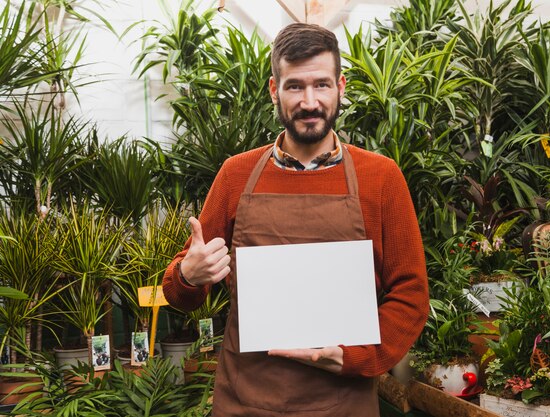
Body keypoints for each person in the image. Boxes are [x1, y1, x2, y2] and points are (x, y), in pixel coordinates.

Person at [162, 22, 429, 416]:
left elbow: (410, 293)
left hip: (343, 402)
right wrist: (189, 274)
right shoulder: (236, 175)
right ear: (274, 90)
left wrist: (359, 357)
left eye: (321, 84)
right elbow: (178, 293)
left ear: (341, 87)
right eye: (295, 86)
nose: (309, 101)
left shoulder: (381, 177)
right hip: (247, 400)